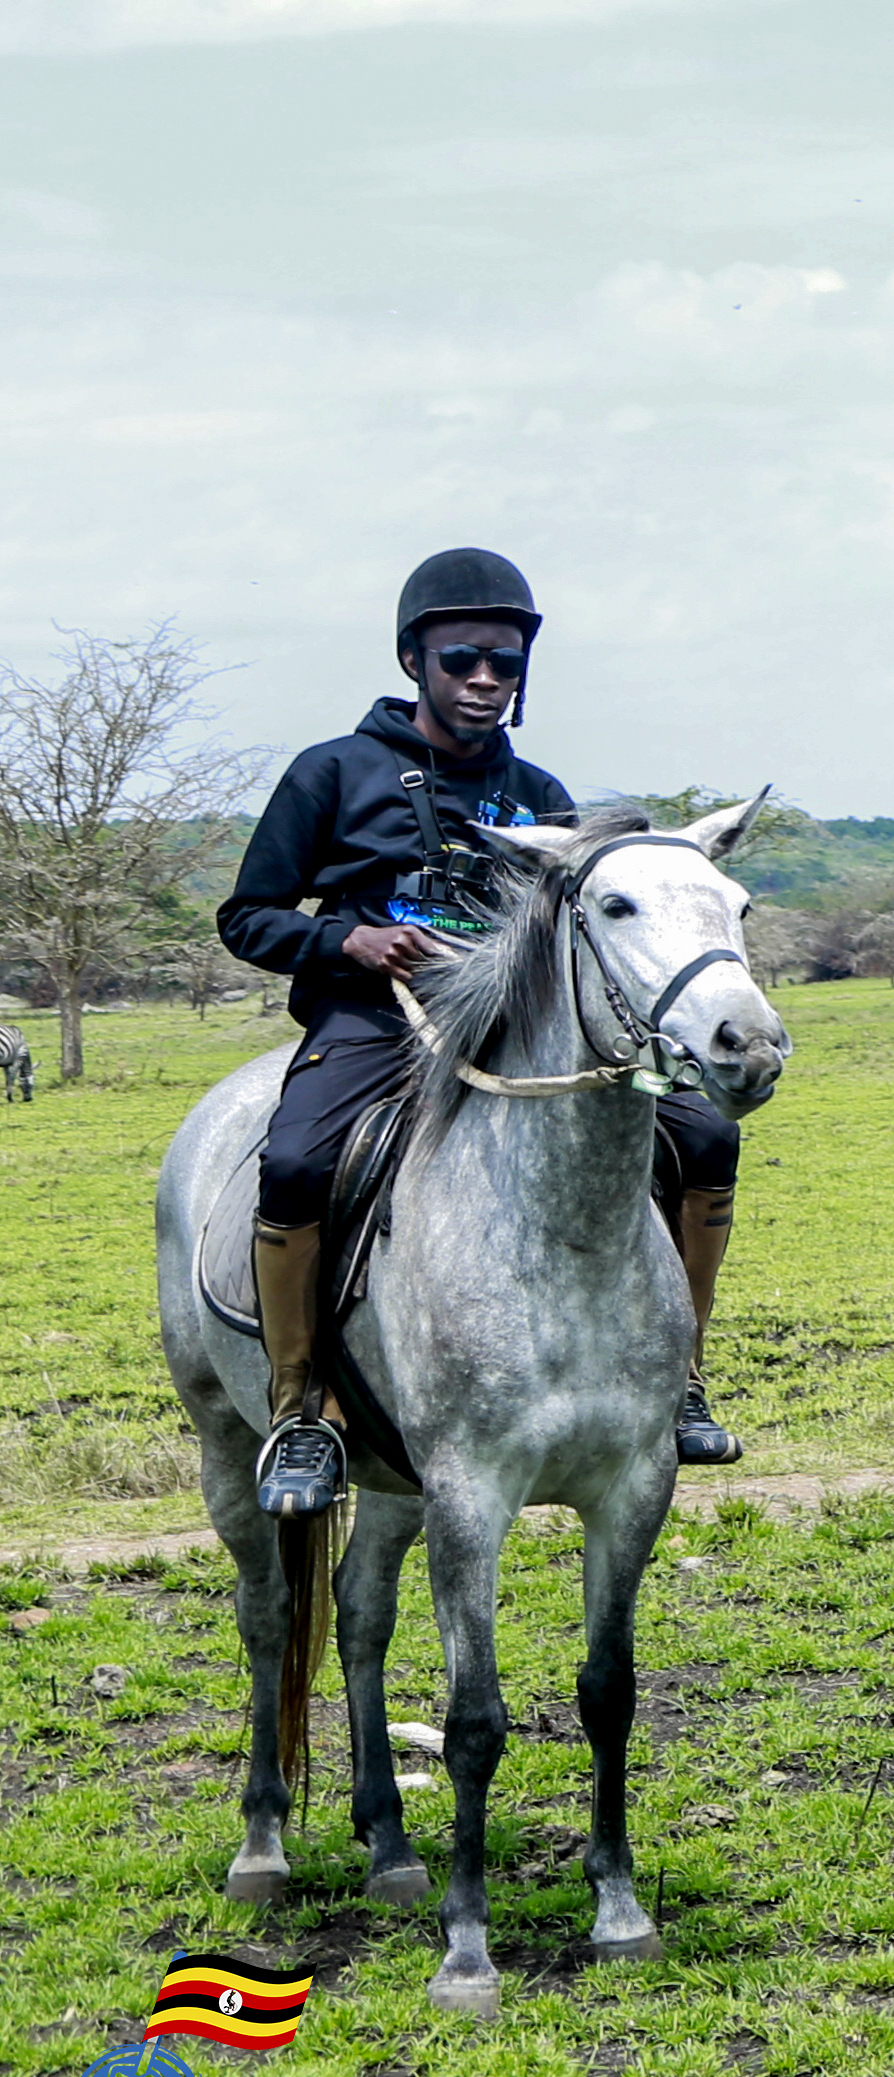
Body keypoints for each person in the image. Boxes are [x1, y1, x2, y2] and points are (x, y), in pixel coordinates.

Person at [213, 549, 760, 1518]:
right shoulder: (332, 772)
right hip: (376, 1017)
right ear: (415, 660)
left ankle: (680, 1380)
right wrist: (352, 938)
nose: (483, 680)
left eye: (504, 665)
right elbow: (247, 916)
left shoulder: (544, 792)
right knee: (296, 1160)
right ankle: (303, 1409)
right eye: (462, 658)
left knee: (708, 1135)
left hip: (518, 1034)